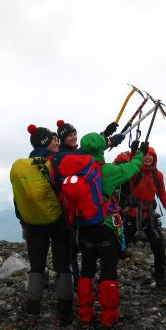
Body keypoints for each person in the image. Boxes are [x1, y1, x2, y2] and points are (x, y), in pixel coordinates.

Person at [66, 132, 145, 328]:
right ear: (101, 149)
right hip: (106, 228)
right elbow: (132, 168)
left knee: (86, 271)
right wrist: (140, 154)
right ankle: (108, 318)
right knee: (109, 272)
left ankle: (85, 315)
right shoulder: (108, 171)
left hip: (84, 229)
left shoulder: (75, 171)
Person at [10, 124, 72, 325]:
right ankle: (64, 311)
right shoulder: (56, 163)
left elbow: (18, 200)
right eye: (54, 140)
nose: (57, 142)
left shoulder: (23, 167)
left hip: (33, 224)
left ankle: (32, 312)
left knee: (36, 266)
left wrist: (24, 222)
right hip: (59, 222)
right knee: (62, 265)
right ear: (46, 142)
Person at [55, 119, 119, 286]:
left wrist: (105, 134)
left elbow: (86, 150)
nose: (74, 137)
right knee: (74, 251)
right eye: (69, 135)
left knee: (79, 250)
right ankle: (77, 284)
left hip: (75, 208)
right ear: (62, 139)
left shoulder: (65, 155)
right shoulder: (66, 156)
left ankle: (80, 284)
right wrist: (108, 140)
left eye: (75, 133)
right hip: (74, 210)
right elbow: (86, 152)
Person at [120, 146, 166, 288]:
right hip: (132, 215)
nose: (148, 157)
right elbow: (128, 161)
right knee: (120, 246)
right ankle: (109, 275)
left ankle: (160, 278)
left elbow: (162, 193)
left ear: (154, 158)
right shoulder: (134, 171)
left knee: (159, 248)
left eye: (151, 155)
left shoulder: (158, 175)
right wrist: (133, 152)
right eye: (145, 155)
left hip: (149, 216)